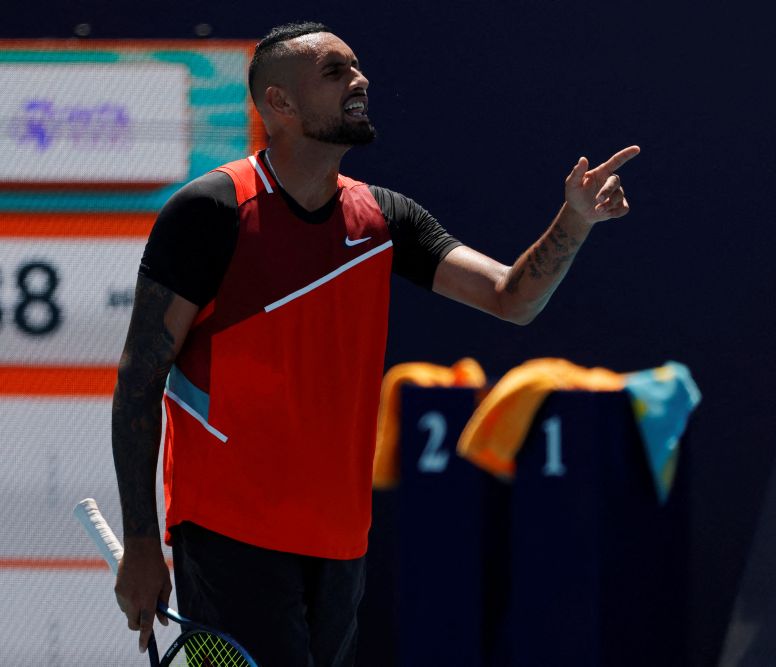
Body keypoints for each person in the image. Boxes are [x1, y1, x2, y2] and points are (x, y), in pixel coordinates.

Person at [111, 20, 639, 666]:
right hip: (230, 534)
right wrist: (142, 543)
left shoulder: (387, 218)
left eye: (357, 67)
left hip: (340, 543)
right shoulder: (211, 212)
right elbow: (139, 379)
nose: (360, 81)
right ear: (278, 103)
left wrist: (575, 220)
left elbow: (512, 297)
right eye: (335, 72)